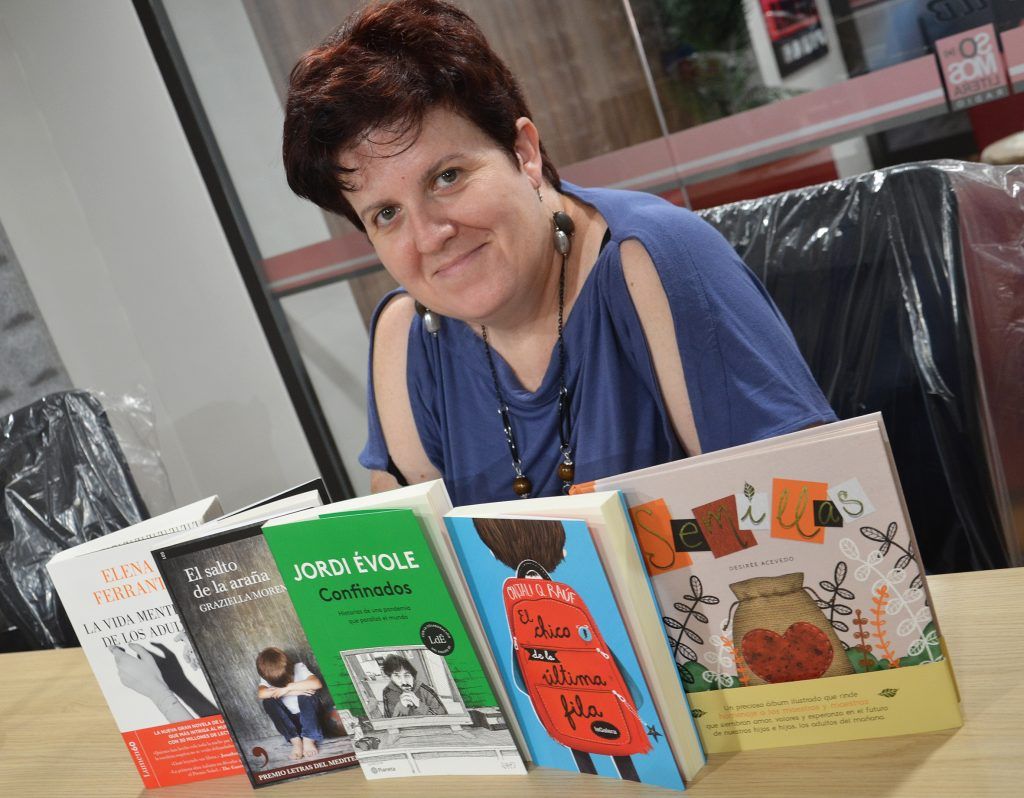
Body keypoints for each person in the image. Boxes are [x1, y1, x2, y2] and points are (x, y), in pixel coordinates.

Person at [282, 0, 836, 506]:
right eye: (386, 213)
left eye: (447, 177)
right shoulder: (405, 334)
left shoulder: (652, 261)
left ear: (524, 152)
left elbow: (812, 511)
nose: (429, 236)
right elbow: (409, 572)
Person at [256, 647, 325, 760]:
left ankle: (309, 740)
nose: (284, 684)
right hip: (290, 723)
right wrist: (292, 692)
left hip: (310, 719)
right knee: (268, 702)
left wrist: (288, 688)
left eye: (287, 679)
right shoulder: (268, 674)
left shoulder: (299, 667)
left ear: (289, 668)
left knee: (307, 696)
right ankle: (296, 742)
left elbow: (316, 684)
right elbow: (261, 694)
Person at [379, 653, 448, 718]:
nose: (404, 681)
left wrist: (419, 705)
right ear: (391, 677)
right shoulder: (387, 693)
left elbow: (444, 716)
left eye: (407, 675)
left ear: (413, 676)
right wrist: (401, 707)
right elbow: (389, 722)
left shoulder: (424, 689)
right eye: (397, 676)